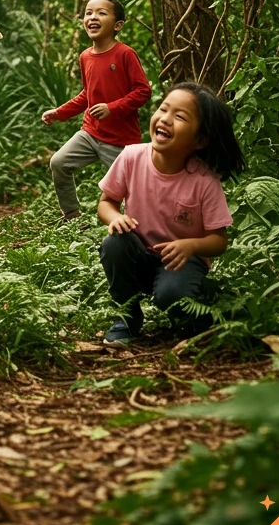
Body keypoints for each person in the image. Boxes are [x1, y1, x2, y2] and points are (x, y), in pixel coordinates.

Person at [96, 82, 245, 344]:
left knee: (172, 296)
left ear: (199, 140)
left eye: (179, 116)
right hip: (138, 253)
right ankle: (127, 316)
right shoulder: (131, 157)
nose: (165, 119)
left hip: (181, 262)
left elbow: (219, 240)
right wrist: (115, 217)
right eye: (163, 109)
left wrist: (190, 246)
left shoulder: (203, 180)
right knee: (114, 244)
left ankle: (194, 314)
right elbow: (105, 203)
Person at [41, 0, 151, 220]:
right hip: (90, 134)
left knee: (132, 191)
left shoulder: (125, 54)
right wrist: (59, 113)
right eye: (89, 13)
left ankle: (138, 226)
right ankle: (72, 217)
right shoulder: (85, 57)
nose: (93, 17)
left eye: (102, 13)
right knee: (59, 163)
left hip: (120, 141)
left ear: (118, 25)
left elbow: (143, 91)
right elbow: (87, 95)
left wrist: (113, 107)